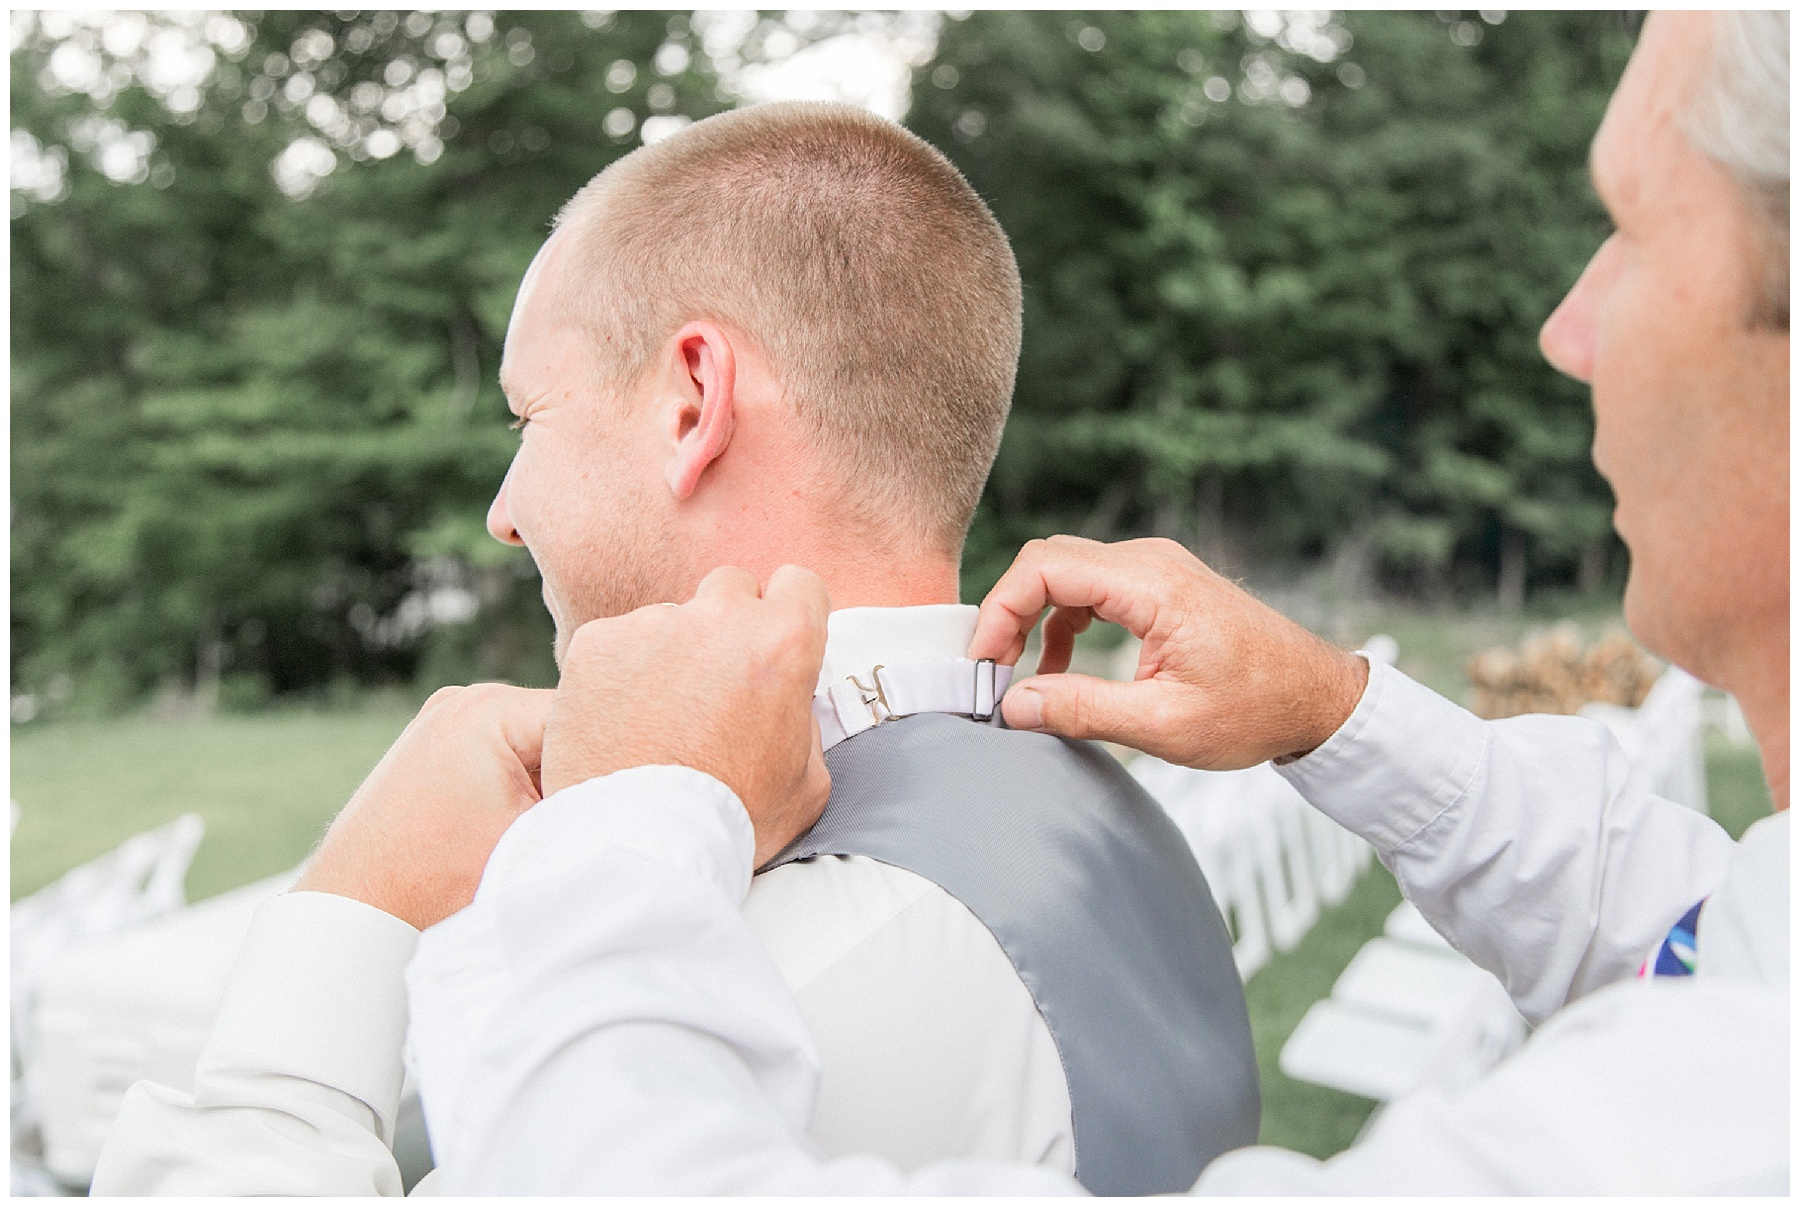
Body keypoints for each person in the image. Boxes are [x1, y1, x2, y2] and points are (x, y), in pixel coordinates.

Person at [386, 9, 1786, 1193]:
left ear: (695, 398)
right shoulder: (1085, 799)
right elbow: (1683, 919)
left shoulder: (834, 957)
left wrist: (559, 850)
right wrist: (1334, 711)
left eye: (1630, 229)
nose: (1565, 327)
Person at [93, 102, 1255, 1194]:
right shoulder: (1103, 796)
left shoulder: (728, 1004)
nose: (505, 509)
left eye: (527, 418)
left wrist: (355, 906)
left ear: (694, 401)